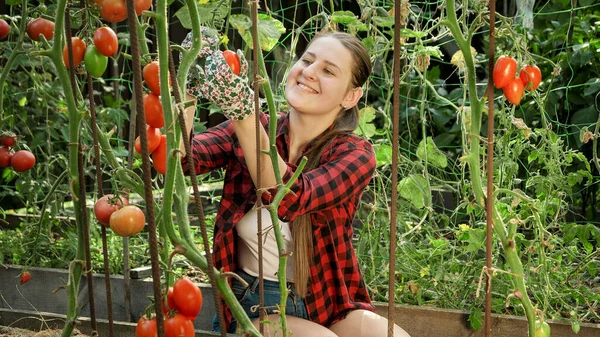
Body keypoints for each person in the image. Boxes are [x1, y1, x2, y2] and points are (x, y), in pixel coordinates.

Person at [180, 27, 411, 337]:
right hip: (256, 306)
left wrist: (243, 112)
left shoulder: (355, 153)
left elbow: (289, 196)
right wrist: (185, 84)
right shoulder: (253, 126)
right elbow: (181, 158)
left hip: (326, 304)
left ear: (350, 96)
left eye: (328, 70)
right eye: (307, 60)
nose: (309, 72)